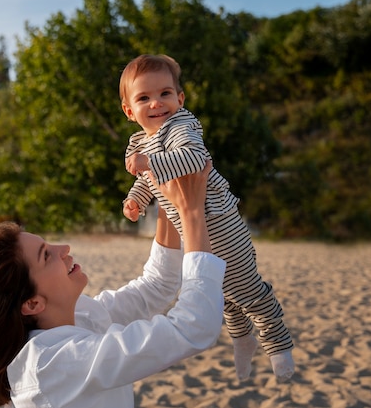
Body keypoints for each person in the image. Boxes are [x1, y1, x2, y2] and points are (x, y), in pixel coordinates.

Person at [0, 162, 227, 408]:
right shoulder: (52, 363)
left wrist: (168, 203)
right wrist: (191, 214)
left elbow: (156, 287)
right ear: (32, 303)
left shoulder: (76, 315)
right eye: (46, 255)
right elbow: (193, 327)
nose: (64, 248)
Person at [120, 54, 295, 382]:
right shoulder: (139, 143)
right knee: (218, 292)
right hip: (192, 229)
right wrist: (135, 200)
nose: (157, 103)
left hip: (220, 224)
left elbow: (192, 158)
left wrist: (148, 165)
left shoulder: (182, 126)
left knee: (249, 291)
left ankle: (278, 345)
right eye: (144, 97)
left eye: (165, 94)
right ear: (130, 111)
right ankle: (242, 339)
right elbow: (148, 181)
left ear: (180, 99)